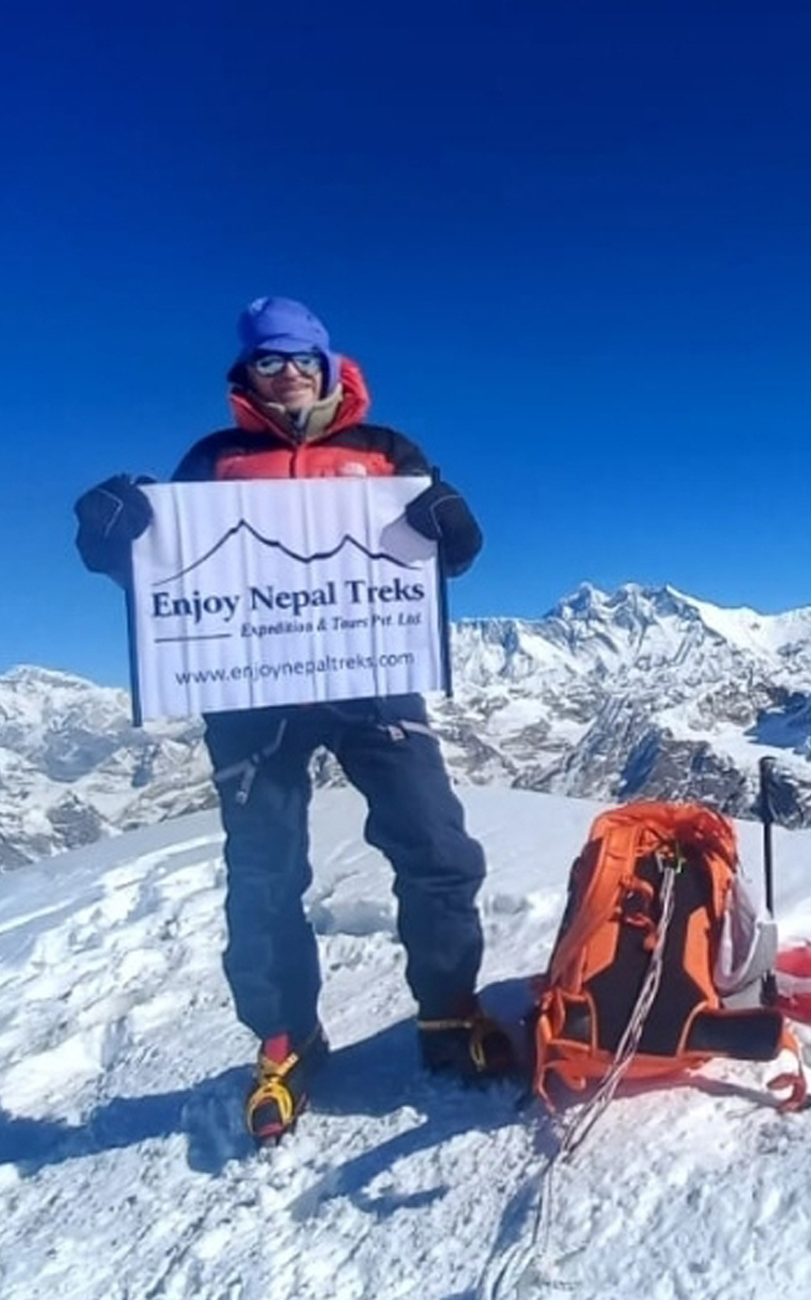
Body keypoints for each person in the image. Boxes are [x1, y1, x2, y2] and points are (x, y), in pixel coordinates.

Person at [71, 296, 510, 1144]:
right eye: (269, 361)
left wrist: (453, 525)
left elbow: (448, 553)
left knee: (438, 849)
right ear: (246, 374)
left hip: (373, 679)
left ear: (328, 361)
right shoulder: (214, 460)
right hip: (250, 692)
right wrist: (111, 540)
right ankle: (285, 1039)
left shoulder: (386, 452)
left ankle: (449, 1012)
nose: (288, 373)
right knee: (265, 873)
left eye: (301, 357)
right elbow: (172, 579)